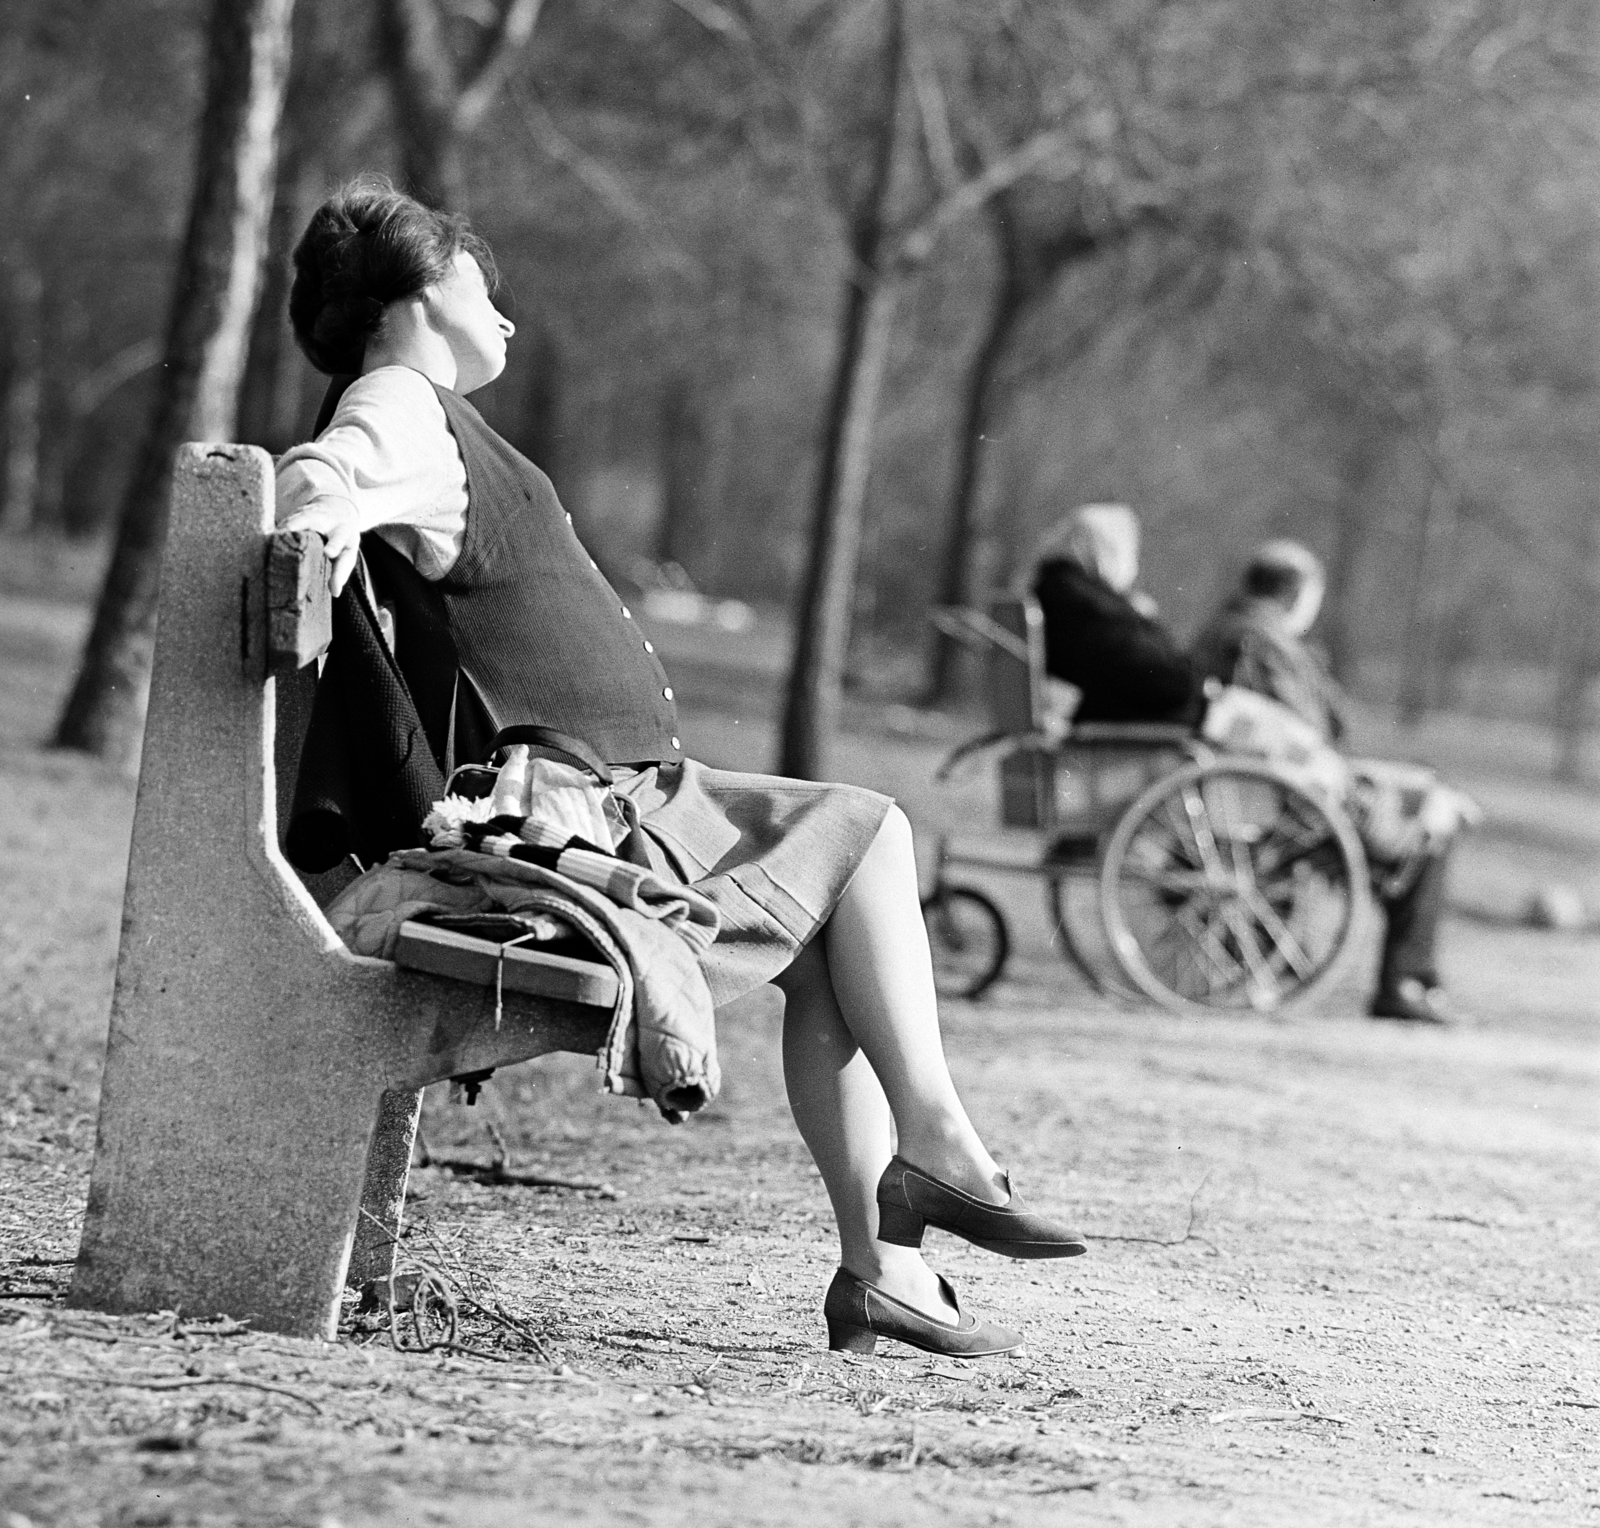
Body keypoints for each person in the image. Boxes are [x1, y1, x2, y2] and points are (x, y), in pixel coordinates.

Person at [273, 176, 1086, 1359]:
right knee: (868, 834)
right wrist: (313, 519)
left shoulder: (434, 408)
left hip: (625, 785)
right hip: (590, 805)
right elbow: (326, 470)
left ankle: (890, 1256)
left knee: (849, 897)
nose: (502, 311)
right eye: (478, 282)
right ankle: (930, 1161)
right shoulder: (400, 395)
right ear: (413, 295)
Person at [1192, 540, 1466, 1026]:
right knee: (1435, 823)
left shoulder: (1221, 629)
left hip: (1249, 789)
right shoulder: (1265, 641)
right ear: (1296, 594)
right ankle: (1405, 981)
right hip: (1285, 798)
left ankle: (1401, 976)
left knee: (1426, 799)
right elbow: (1313, 731)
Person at [1029, 503, 1206, 727]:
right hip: (1128, 734)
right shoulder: (1083, 604)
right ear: (1109, 549)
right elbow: (1170, 684)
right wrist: (1147, 622)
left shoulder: (1064, 594)